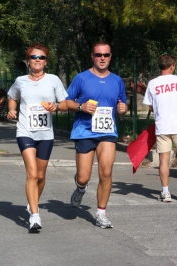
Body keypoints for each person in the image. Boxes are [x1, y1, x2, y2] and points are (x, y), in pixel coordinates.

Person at [66, 41, 128, 229]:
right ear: (92, 56)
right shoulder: (81, 78)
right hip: (84, 131)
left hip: (108, 132)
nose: (102, 58)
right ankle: (80, 188)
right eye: (99, 55)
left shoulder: (117, 80)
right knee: (84, 177)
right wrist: (81, 106)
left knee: (106, 172)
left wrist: (123, 109)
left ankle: (101, 212)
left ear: (110, 57)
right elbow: (66, 102)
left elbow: (122, 106)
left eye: (106, 55)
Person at [7, 43, 68, 232]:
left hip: (45, 134)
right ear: (28, 61)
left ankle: (33, 202)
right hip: (25, 131)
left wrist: (55, 107)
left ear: (46, 61)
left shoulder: (53, 80)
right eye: (34, 57)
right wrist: (11, 109)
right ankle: (34, 215)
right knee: (32, 173)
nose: (37, 60)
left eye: (41, 57)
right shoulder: (20, 81)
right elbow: (12, 96)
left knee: (41, 176)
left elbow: (65, 103)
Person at [143, 53, 177, 202]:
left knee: (164, 160)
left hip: (162, 125)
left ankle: (166, 192)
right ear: (172, 66)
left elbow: (150, 106)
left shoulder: (152, 83)